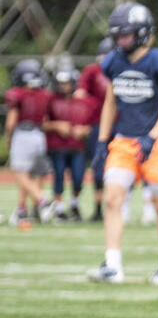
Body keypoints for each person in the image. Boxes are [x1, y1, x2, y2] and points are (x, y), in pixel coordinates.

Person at [87, 2, 158, 284]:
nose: (120, 40)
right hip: (125, 142)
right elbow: (109, 103)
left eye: (126, 34)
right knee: (112, 200)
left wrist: (152, 136)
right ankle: (113, 265)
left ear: (141, 33)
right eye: (118, 34)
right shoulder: (114, 62)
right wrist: (103, 141)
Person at [3, 59, 56, 226]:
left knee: (20, 174)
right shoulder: (44, 95)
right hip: (39, 136)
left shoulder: (17, 94)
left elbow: (11, 123)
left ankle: (43, 201)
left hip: (23, 134)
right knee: (33, 175)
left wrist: (8, 138)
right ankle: (22, 211)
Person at [44, 65, 97, 222]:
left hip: (77, 146)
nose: (64, 86)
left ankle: (74, 205)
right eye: (61, 83)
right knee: (59, 176)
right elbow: (42, 123)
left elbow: (93, 124)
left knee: (78, 177)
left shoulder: (85, 102)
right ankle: (59, 208)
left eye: (67, 83)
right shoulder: (50, 100)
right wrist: (56, 125)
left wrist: (84, 130)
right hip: (57, 146)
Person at [74, 37, 114, 221]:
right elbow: (80, 95)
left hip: (122, 124)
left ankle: (120, 206)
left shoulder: (125, 69)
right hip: (97, 125)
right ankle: (98, 208)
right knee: (97, 167)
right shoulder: (92, 71)